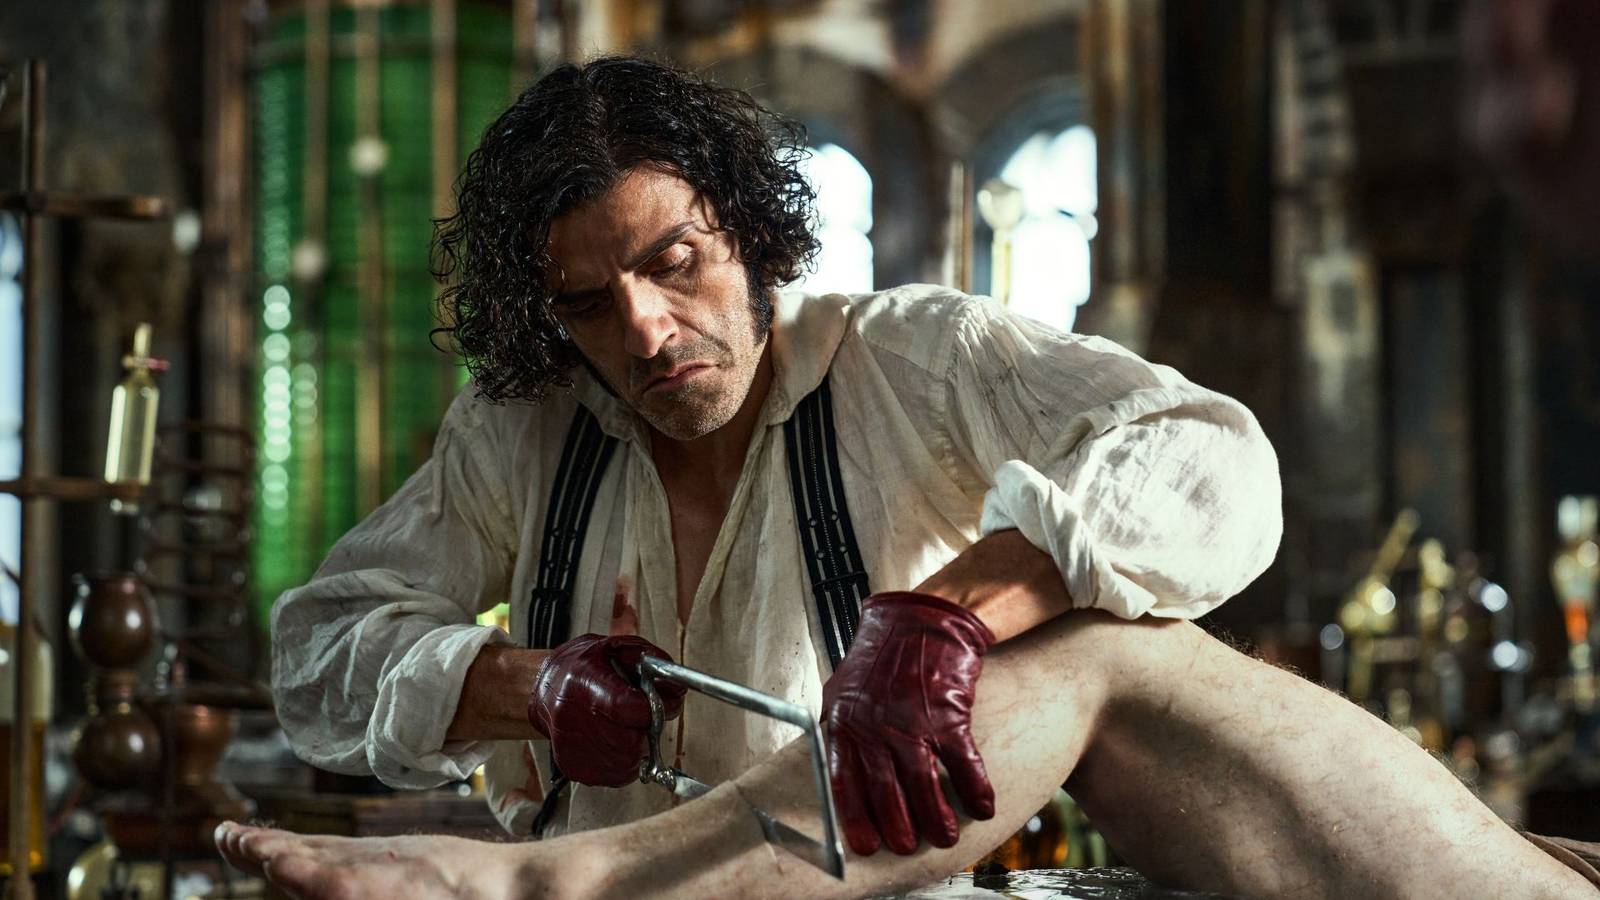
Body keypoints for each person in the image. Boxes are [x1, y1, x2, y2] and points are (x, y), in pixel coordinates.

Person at [227, 57, 1600, 898]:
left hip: (867, 893)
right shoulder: (518, 429)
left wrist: (952, 614)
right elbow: (316, 654)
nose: (643, 330)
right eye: (589, 303)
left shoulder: (915, 359)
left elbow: (1212, 462)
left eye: (673, 262)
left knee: (1116, 646)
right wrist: (520, 687)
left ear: (747, 231)